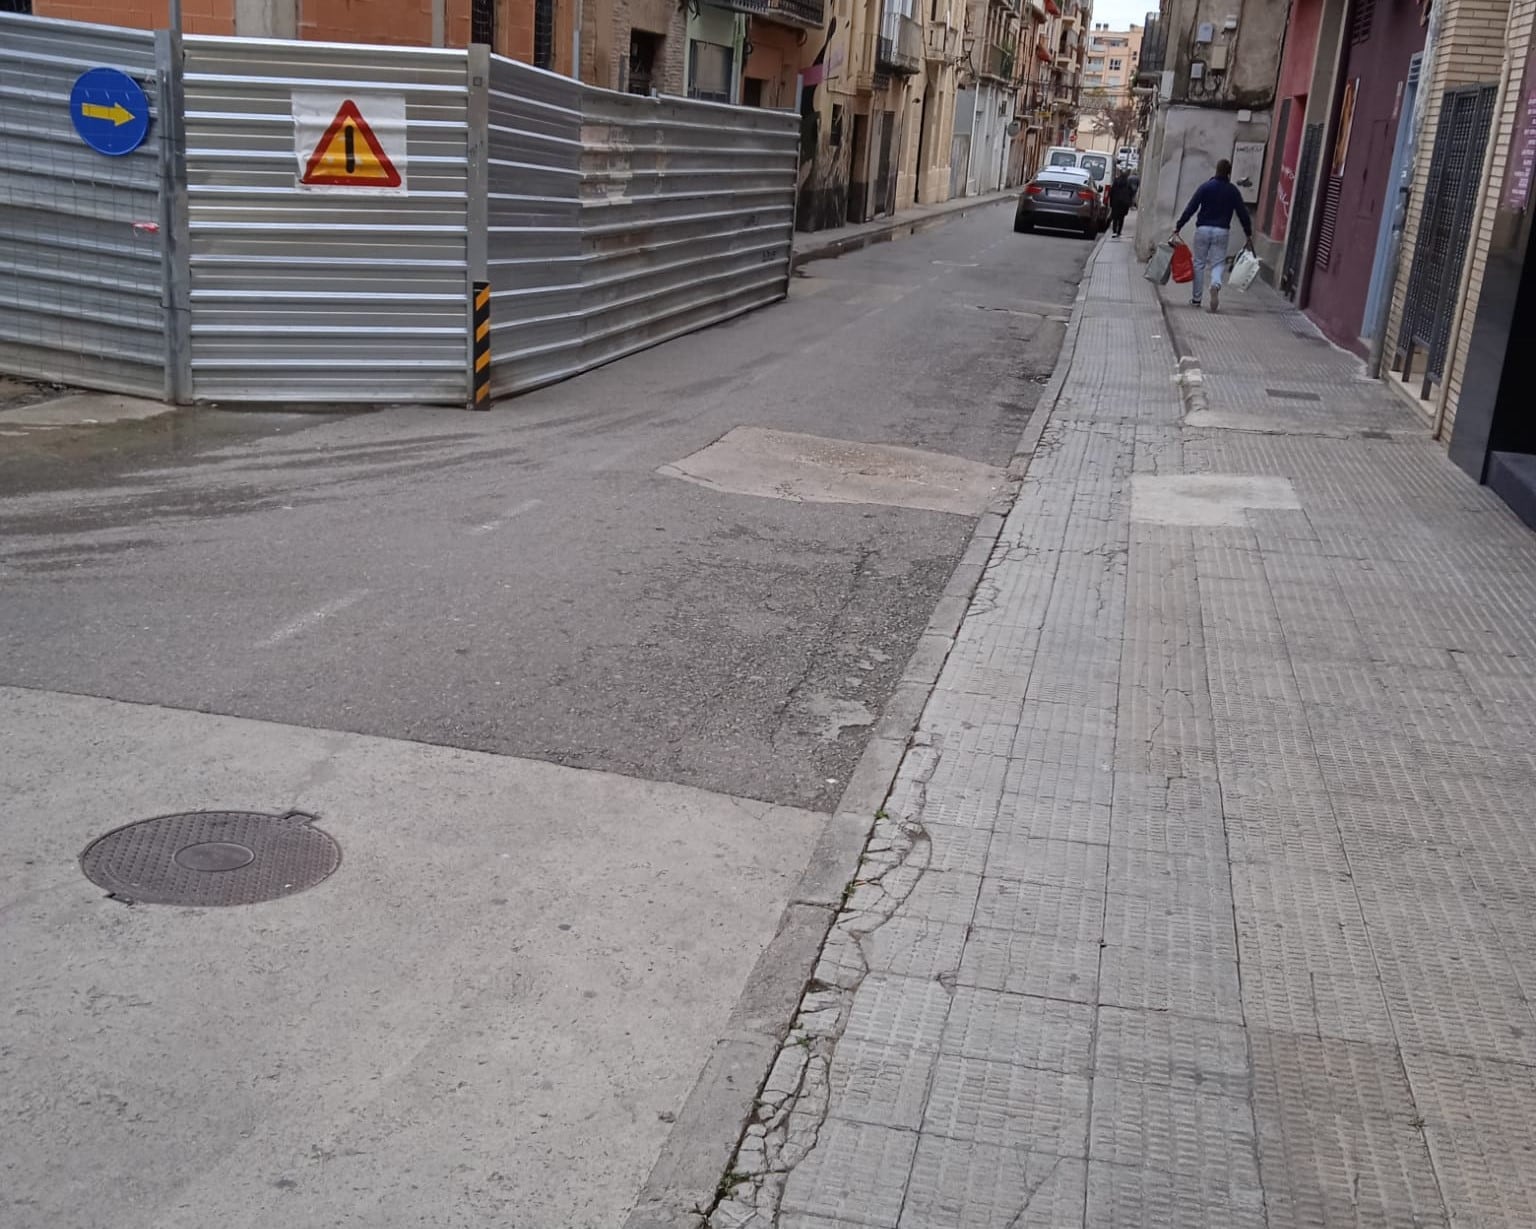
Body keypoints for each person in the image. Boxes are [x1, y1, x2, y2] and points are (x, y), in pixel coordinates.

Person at [1171, 159, 1254, 312]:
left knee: (1199, 263)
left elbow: (1191, 207)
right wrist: (1248, 233)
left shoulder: (1205, 187)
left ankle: (1196, 299)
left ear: (1216, 170)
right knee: (1218, 263)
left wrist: (1179, 226)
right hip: (1222, 231)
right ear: (1229, 173)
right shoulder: (1232, 191)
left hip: (1202, 229)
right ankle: (1215, 284)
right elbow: (1242, 213)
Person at [1108, 168, 1135, 239]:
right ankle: (1119, 231)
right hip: (1124, 204)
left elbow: (1111, 192)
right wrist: (1129, 203)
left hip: (1115, 203)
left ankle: (1114, 232)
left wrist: (1111, 203)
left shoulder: (1116, 182)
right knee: (1121, 218)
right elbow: (1131, 193)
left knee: (1115, 218)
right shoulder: (1128, 184)